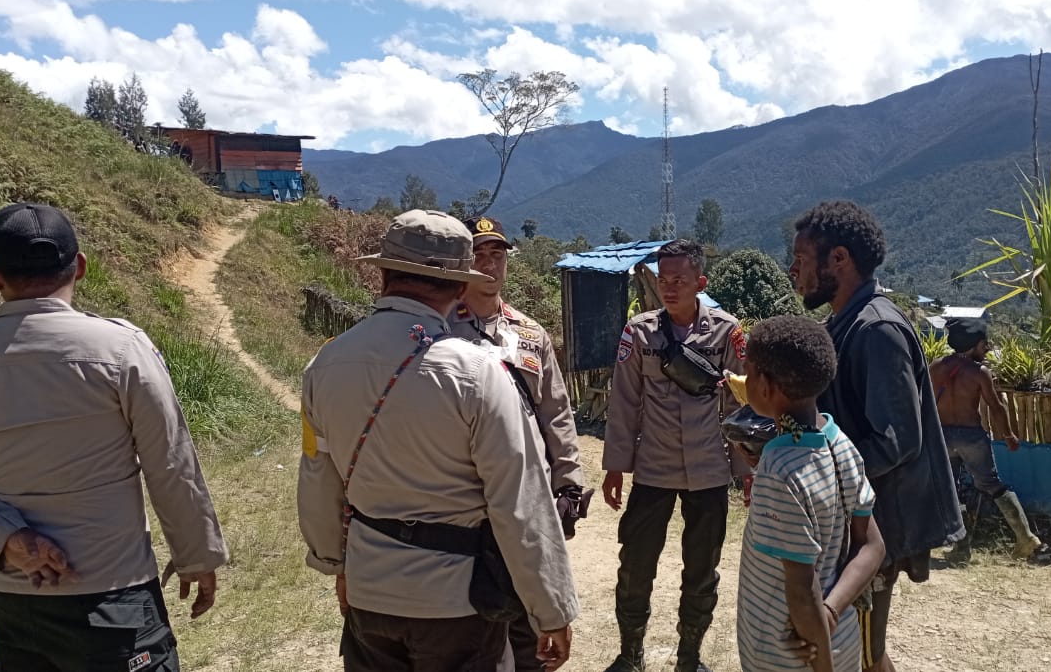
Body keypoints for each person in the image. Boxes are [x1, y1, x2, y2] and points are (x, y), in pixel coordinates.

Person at [298, 209, 579, 672]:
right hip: (456, 601)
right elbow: (519, 500)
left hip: (371, 594)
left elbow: (318, 478)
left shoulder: (326, 363)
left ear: (384, 274)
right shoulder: (479, 372)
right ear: (456, 286)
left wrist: (337, 565)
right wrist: (551, 608)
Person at [0, 202, 228, 671]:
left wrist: (4, 538)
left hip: (19, 601)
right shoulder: (120, 349)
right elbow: (170, 462)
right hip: (115, 596)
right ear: (79, 267)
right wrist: (196, 554)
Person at [789, 200, 964, 672]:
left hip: (875, 523)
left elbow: (897, 439)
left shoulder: (877, 330)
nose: (793, 272)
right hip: (853, 518)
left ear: (839, 260)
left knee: (864, 652)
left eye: (801, 260)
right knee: (862, 649)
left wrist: (822, 476)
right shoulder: (844, 325)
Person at [447, 216, 591, 672]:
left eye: (497, 254)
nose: (489, 264)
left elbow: (557, 414)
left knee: (531, 612)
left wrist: (569, 483)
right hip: (467, 498)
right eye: (478, 254)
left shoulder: (530, 333)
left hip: (532, 495)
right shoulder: (440, 331)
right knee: (475, 617)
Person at [601, 239, 749, 672]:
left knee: (702, 570)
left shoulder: (727, 332)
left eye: (680, 280)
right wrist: (615, 466)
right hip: (653, 469)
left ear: (700, 282)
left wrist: (746, 470)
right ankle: (630, 655)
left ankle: (690, 657)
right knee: (635, 564)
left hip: (708, 471)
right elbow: (625, 401)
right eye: (663, 279)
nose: (669, 287)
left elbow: (741, 404)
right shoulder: (639, 332)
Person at [725, 315, 885, 672]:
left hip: (791, 654)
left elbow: (801, 589)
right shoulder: (837, 441)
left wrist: (822, 663)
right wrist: (832, 611)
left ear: (765, 386)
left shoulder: (780, 470)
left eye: (748, 372)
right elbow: (873, 546)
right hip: (839, 636)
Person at [930, 317, 1042, 561]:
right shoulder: (979, 373)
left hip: (943, 437)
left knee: (951, 491)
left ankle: (961, 548)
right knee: (992, 484)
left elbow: (922, 403)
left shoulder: (935, 367)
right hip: (972, 437)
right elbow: (996, 406)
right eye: (984, 345)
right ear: (972, 345)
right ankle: (1026, 538)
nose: (987, 348)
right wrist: (1008, 435)